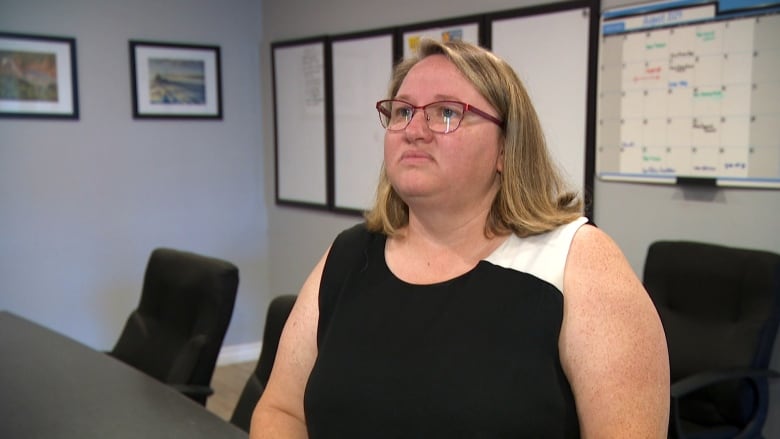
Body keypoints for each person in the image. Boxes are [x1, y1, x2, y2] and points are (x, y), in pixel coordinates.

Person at [251, 39, 669, 438]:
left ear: (507, 147)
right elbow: (281, 410)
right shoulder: (348, 254)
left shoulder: (575, 262)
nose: (414, 130)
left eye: (446, 112)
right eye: (402, 112)